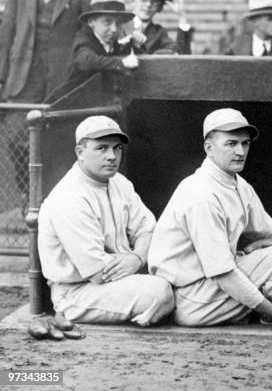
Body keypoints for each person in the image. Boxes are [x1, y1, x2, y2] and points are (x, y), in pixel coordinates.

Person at [148, 108, 272, 326]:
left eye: (245, 144)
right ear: (209, 148)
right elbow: (222, 273)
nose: (241, 151)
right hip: (189, 299)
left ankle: (260, 311)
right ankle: (269, 313)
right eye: (231, 143)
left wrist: (265, 242)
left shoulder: (239, 185)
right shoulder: (201, 193)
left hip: (209, 288)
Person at [37, 116, 174, 325]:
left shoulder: (120, 183)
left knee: (177, 274)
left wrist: (137, 257)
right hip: (78, 292)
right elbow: (99, 272)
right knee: (159, 292)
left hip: (125, 272)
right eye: (102, 148)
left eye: (117, 148)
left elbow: (148, 230)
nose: (112, 156)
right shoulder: (69, 198)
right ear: (80, 152)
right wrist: (140, 260)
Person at [65, 0, 139, 93]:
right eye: (107, 22)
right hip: (69, 104)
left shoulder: (113, 44)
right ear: (91, 22)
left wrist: (137, 45)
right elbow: (87, 61)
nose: (114, 29)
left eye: (118, 23)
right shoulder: (84, 40)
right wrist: (121, 63)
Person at [124, 0, 193, 55]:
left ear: (159, 8)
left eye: (154, 1)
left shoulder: (159, 33)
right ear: (133, 1)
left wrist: (181, 16)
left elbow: (182, 56)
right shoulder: (119, 25)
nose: (148, 4)